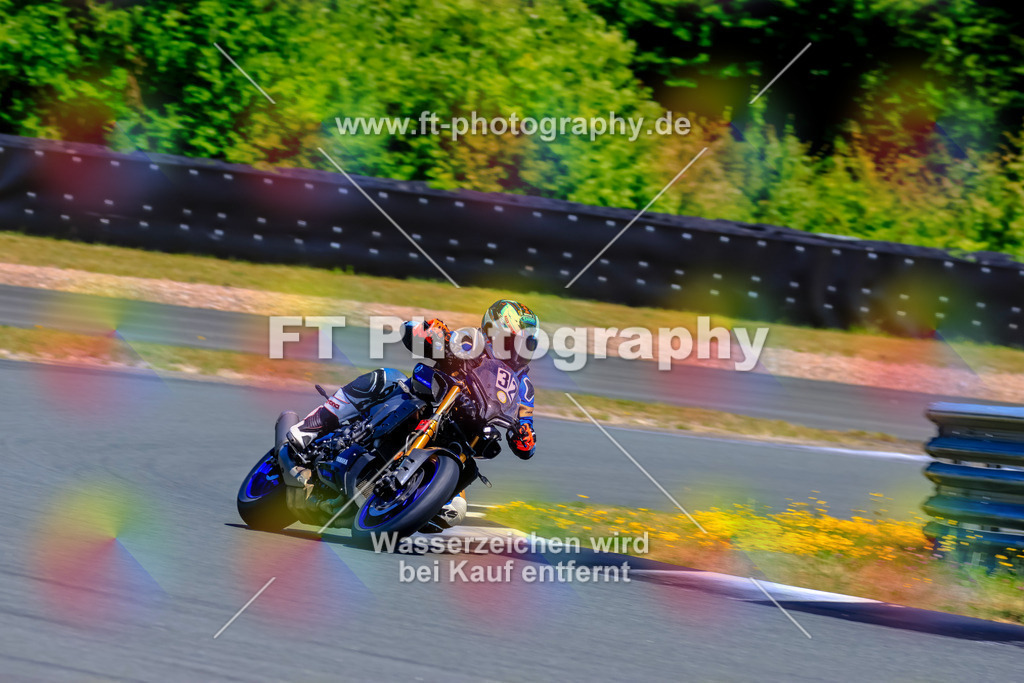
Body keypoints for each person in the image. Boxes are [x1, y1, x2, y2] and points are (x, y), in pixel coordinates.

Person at [285, 299, 540, 527]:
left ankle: (401, 506)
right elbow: (411, 330)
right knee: (387, 377)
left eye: (526, 344)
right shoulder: (470, 342)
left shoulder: (523, 385)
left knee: (455, 510)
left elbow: (525, 431)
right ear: (492, 332)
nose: (519, 350)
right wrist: (431, 332)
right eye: (513, 341)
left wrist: (525, 436)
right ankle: (311, 428)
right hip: (429, 401)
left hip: (460, 436)